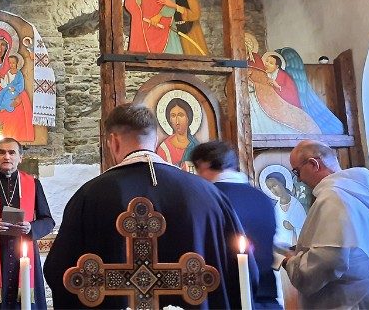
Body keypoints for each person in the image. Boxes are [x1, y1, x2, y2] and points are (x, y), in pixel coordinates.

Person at [44, 103, 255, 309]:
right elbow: (245, 273)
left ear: (113, 141)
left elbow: (60, 272)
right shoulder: (208, 194)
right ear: (155, 139)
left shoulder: (88, 196)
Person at [282, 140, 369, 308]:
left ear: (314, 164)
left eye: (297, 171)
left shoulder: (333, 198)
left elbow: (329, 260)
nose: (298, 179)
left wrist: (291, 263)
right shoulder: (360, 191)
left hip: (350, 301)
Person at [0, 137, 54, 308]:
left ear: (20, 157)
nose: (7, 156)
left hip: (26, 254)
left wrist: (31, 227)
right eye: (2, 152)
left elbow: (48, 221)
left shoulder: (34, 184)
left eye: (12, 152)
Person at [191, 141, 281, 309]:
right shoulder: (262, 198)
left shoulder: (207, 199)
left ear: (204, 164)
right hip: (265, 296)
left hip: (225, 297)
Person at [156, 97, 199, 172]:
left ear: (188, 118)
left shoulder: (197, 146)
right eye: (173, 116)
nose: (177, 121)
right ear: (169, 120)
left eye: (181, 115)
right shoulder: (164, 149)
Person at [264, 171, 306, 246]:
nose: (273, 190)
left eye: (274, 185)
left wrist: (293, 228)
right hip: (280, 248)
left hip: (295, 247)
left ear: (282, 183)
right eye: (270, 188)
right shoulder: (276, 208)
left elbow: (305, 227)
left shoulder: (296, 205)